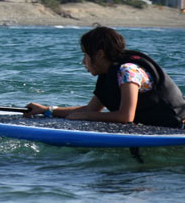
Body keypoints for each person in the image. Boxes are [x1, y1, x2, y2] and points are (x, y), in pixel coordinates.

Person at [26, 26, 185, 128]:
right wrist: (47, 110)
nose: (83, 62)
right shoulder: (108, 74)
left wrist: (87, 117)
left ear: (100, 54)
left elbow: (125, 117)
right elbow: (90, 109)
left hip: (178, 126)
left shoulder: (127, 71)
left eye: (85, 55)